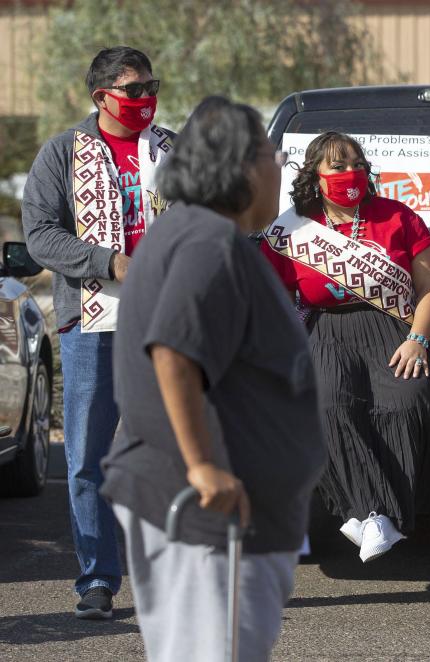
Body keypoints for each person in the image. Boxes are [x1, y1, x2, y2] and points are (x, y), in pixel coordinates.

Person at [100, 96, 328, 661]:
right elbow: (175, 351)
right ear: (242, 165)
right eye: (273, 155)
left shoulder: (191, 232)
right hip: (208, 515)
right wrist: (203, 466)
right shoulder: (208, 242)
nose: (280, 168)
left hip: (209, 513)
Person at [20, 46, 174, 618]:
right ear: (101, 96)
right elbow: (39, 234)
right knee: (88, 458)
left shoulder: (172, 150)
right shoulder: (62, 153)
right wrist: (111, 263)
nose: (145, 100)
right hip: (92, 323)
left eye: (151, 87)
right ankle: (96, 580)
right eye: (134, 90)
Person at [260, 131, 430, 563]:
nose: (351, 172)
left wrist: (418, 340)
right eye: (338, 165)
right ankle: (368, 513)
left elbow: (429, 287)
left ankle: (390, 514)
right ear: (316, 173)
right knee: (326, 405)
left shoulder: (397, 217)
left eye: (357, 163)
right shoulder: (293, 228)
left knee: (409, 401)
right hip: (327, 331)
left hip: (395, 330)